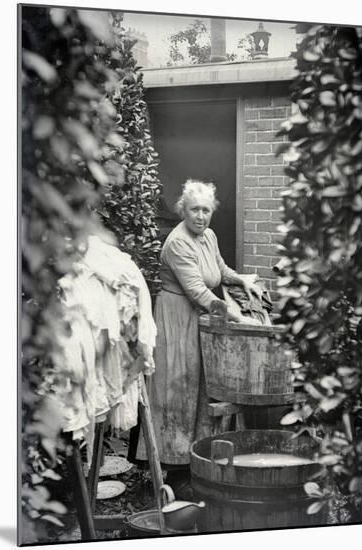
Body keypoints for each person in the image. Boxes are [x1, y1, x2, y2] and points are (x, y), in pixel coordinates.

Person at [137, 179, 261, 494]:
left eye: (206, 210)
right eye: (195, 210)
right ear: (184, 210)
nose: (201, 216)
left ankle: (194, 458)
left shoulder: (208, 236)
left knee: (200, 385)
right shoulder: (178, 242)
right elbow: (197, 290)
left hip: (199, 318)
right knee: (177, 385)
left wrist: (243, 280)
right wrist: (235, 314)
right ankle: (170, 465)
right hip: (177, 317)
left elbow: (219, 269)